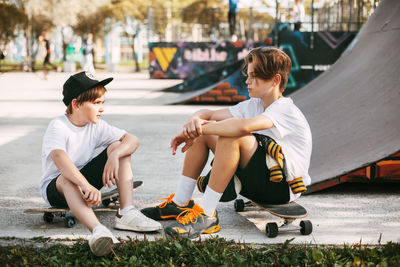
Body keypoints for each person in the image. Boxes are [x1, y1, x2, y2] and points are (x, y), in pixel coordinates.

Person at [141, 47, 312, 239]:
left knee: (231, 135)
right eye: (248, 75)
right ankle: (180, 202)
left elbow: (242, 127)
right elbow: (208, 114)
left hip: (281, 188)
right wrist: (193, 123)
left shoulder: (285, 110)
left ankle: (206, 214)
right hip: (258, 181)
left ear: (275, 80)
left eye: (254, 76)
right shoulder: (253, 104)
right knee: (208, 131)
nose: (247, 81)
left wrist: (201, 128)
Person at [40, 71, 162, 256]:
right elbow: (59, 158)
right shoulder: (59, 126)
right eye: (96, 103)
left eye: (102, 103)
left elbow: (132, 140)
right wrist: (85, 185)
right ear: (76, 104)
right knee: (67, 180)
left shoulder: (96, 126)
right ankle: (98, 231)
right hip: (57, 187)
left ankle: (126, 212)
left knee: (120, 145)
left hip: (86, 183)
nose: (102, 108)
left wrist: (115, 155)